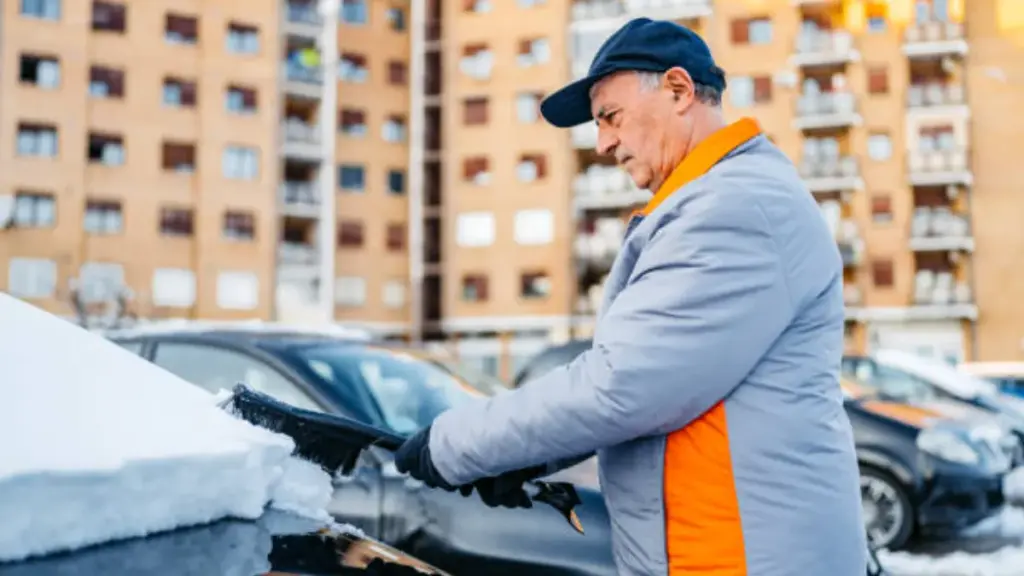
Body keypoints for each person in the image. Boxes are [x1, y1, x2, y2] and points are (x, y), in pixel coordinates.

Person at [394, 17, 867, 576]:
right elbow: (660, 390)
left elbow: (625, 386)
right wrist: (530, 458)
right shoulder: (714, 201)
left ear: (678, 90)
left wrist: (451, 445)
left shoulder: (733, 209)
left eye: (610, 117)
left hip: (738, 558)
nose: (603, 144)